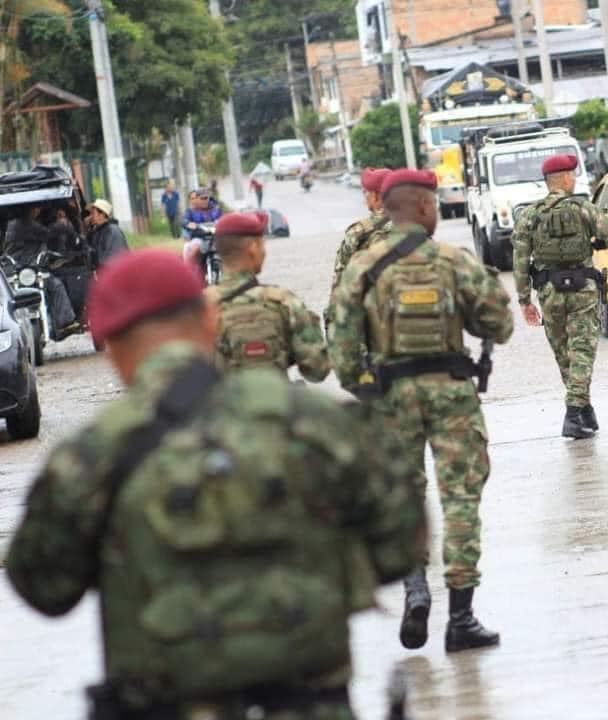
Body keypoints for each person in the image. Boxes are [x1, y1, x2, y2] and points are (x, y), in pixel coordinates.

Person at [5, 249, 426, 720]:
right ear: (209, 319)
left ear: (110, 346)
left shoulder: (89, 456)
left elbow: (43, 588)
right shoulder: (319, 422)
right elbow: (400, 550)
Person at [329, 168, 513, 653]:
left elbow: (342, 351)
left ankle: (415, 590)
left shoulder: (363, 268)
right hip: (453, 393)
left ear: (385, 208)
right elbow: (500, 323)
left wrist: (367, 389)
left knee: (404, 497)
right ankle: (461, 618)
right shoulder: (455, 260)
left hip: (391, 397)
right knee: (460, 500)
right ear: (427, 207)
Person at [510, 154, 608, 439]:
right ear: (564, 178)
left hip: (549, 293)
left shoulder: (530, 215)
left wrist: (524, 301)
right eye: (572, 175)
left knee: (565, 356)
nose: (574, 179)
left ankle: (584, 411)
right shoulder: (583, 208)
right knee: (582, 352)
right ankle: (574, 414)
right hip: (582, 291)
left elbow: (520, 260)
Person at [205, 211, 330, 381]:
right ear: (253, 248)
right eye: (263, 245)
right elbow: (318, 370)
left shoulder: (197, 308)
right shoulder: (284, 302)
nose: (265, 252)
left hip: (221, 406)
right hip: (277, 405)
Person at [325, 167, 392, 329]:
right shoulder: (414, 226)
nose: (365, 198)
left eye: (366, 193)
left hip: (373, 327)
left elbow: (340, 287)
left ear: (376, 196)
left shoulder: (358, 232)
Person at [4, 206, 79, 338]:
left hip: (19, 272)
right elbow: (48, 233)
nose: (38, 211)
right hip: (27, 271)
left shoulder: (12, 224)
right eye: (36, 208)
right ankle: (66, 322)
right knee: (57, 286)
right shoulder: (27, 224)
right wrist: (63, 224)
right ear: (30, 210)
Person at [181, 189, 223, 271]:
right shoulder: (190, 211)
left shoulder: (216, 209)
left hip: (216, 237)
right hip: (199, 237)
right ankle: (189, 271)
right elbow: (184, 220)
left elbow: (223, 218)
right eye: (202, 198)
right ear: (197, 199)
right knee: (193, 249)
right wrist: (188, 224)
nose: (204, 200)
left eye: (206, 198)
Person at [86, 199, 130, 264]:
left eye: (93, 213)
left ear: (102, 214)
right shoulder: (98, 230)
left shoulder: (111, 230)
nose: (90, 216)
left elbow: (105, 258)